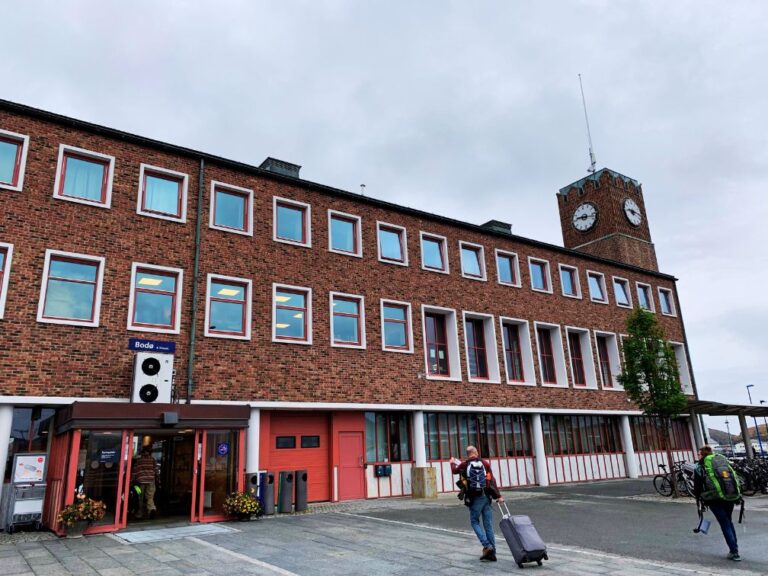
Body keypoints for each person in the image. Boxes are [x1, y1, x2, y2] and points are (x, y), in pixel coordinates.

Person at [450, 445, 504, 562]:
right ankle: (492, 552)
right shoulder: (485, 464)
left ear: (468, 454)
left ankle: (487, 546)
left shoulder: (465, 464)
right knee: (488, 525)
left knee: (474, 521)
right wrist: (498, 496)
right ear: (476, 452)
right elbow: (491, 481)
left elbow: (454, 471)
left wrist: (452, 463)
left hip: (475, 498)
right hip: (486, 497)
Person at [693, 445, 741, 562]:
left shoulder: (700, 467)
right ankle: (735, 549)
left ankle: (734, 551)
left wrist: (699, 498)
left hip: (714, 499)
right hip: (729, 496)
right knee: (728, 521)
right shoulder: (721, 462)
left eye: (699, 454)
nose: (698, 455)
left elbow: (697, 487)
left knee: (724, 523)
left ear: (702, 454)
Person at [133, 446, 158, 519]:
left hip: (140, 481)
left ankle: (140, 513)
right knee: (150, 496)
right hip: (151, 480)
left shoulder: (139, 460)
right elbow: (156, 470)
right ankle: (151, 509)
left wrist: (132, 479)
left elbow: (135, 471)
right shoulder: (152, 459)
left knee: (140, 497)